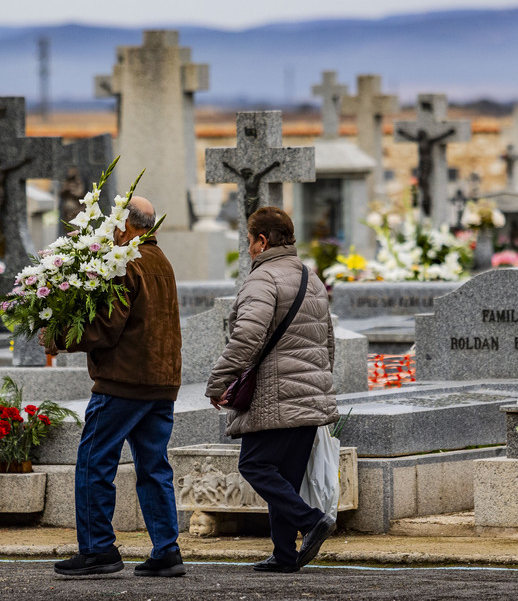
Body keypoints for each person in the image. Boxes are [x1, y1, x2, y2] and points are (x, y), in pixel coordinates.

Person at [45, 197, 186, 578]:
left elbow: (108, 328)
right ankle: (166, 550)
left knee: (94, 462)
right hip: (161, 382)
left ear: (127, 226)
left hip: (123, 382)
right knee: (153, 466)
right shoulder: (162, 262)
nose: (111, 231)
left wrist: (58, 335)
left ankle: (97, 549)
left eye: (114, 224)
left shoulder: (126, 263)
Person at [206, 206, 338, 573]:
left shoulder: (262, 280)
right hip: (309, 394)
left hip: (276, 397)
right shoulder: (310, 278)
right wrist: (319, 385)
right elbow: (328, 341)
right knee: (287, 477)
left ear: (262, 240)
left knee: (255, 465)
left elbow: (246, 337)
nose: (249, 249)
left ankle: (311, 521)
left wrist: (218, 382)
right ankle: (284, 554)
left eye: (249, 241)